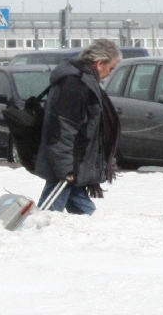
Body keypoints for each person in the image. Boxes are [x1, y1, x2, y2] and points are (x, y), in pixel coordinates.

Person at [35, 39, 121, 214]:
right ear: (99, 63)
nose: (110, 74)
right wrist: (65, 168)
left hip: (75, 161)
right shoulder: (76, 85)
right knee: (48, 215)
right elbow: (62, 130)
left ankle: (91, 230)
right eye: (111, 68)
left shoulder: (80, 81)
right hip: (68, 162)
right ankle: (36, 232)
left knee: (78, 204)